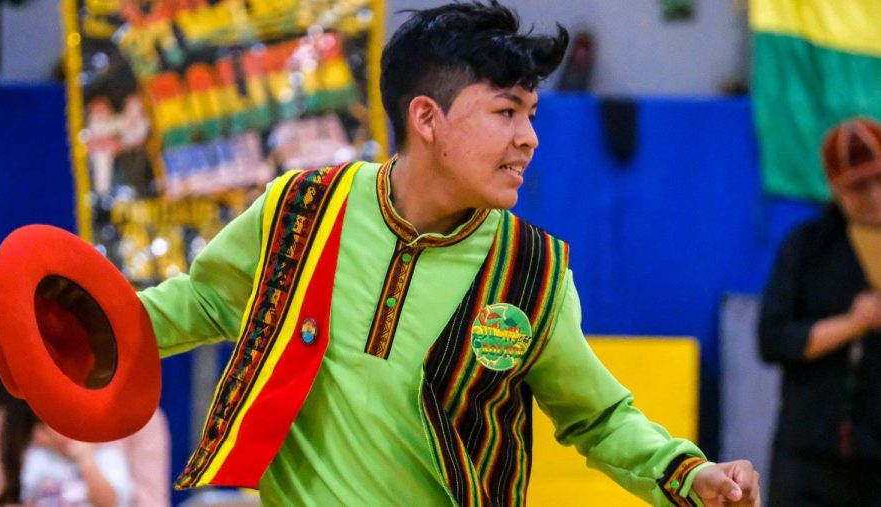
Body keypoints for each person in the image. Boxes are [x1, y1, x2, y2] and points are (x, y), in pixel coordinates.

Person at [132, 2, 761, 505]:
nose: (530, 138)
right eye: (507, 111)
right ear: (427, 118)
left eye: (533, 113)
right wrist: (74, 332)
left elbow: (598, 418)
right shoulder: (303, 208)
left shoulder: (532, 272)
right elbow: (204, 301)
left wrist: (687, 474)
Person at [759, 117, 881, 506]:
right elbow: (773, 340)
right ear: (835, 187)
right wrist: (853, 323)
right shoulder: (807, 248)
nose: (875, 196)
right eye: (860, 187)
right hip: (808, 451)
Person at [0, 396, 133, 506]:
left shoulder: (108, 456)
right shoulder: (38, 458)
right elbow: (29, 499)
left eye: (74, 421)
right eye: (53, 424)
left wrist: (87, 461)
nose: (65, 432)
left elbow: (110, 502)